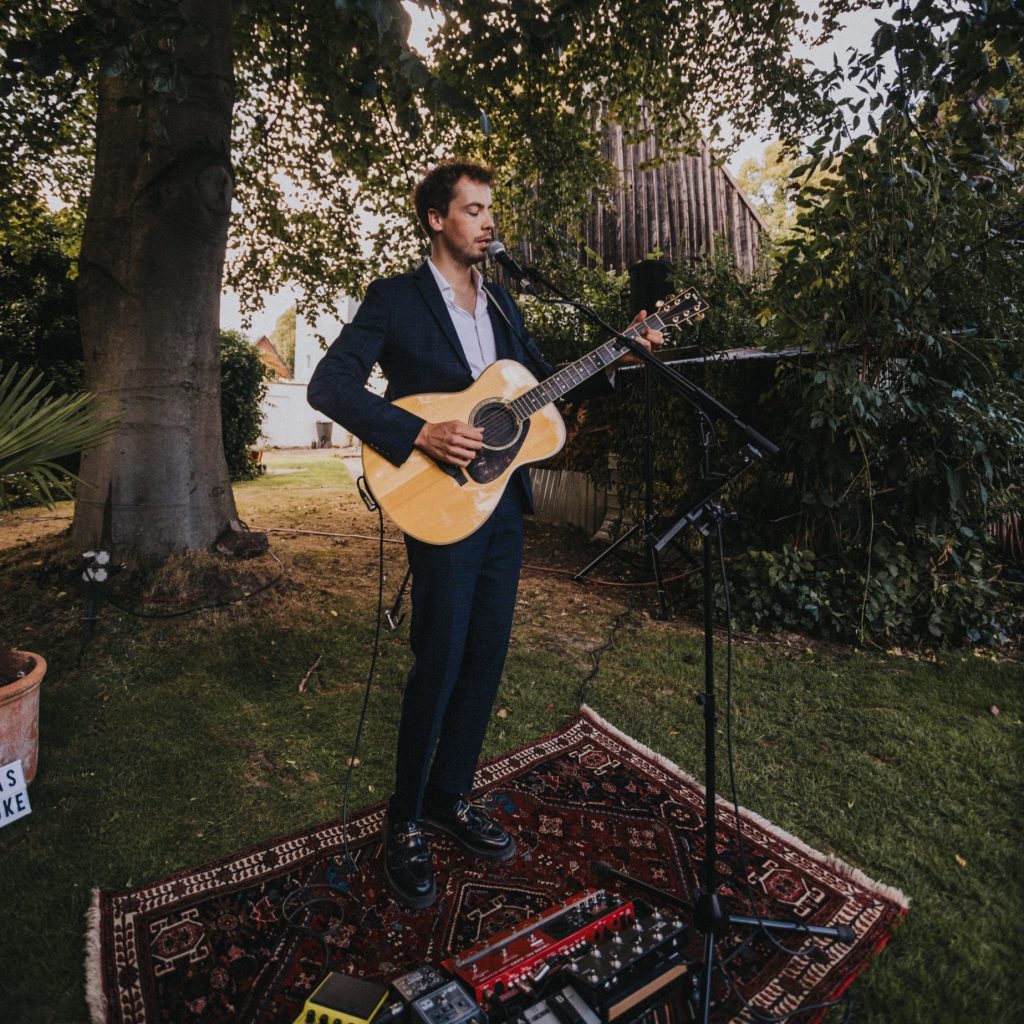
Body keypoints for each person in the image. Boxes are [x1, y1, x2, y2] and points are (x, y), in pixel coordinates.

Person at [307, 161, 662, 909]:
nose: (489, 222)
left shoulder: (500, 303)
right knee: (437, 657)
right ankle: (403, 820)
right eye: (473, 210)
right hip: (436, 501)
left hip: (501, 507)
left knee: (486, 655)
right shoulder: (395, 300)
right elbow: (329, 387)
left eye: (490, 210)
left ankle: (448, 795)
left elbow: (537, 394)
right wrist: (419, 432)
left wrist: (619, 353)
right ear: (437, 219)